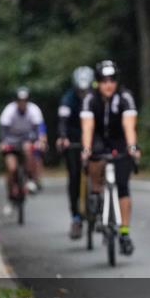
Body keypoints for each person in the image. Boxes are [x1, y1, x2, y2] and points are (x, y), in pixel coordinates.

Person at [80, 60, 141, 255]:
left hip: (119, 141)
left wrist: (132, 147)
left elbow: (129, 126)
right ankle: (96, 193)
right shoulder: (90, 99)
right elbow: (88, 127)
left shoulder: (125, 97)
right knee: (94, 161)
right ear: (97, 82)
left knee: (123, 187)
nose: (109, 84)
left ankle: (124, 232)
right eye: (104, 80)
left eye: (112, 80)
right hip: (98, 139)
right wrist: (86, 149)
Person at [0, 86, 48, 214]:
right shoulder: (9, 110)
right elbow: (3, 130)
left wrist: (41, 141)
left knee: (28, 148)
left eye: (25, 100)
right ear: (16, 101)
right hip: (11, 141)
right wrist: (3, 143)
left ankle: (30, 179)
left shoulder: (34, 110)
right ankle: (10, 197)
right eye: (20, 100)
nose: (22, 103)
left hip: (27, 139)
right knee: (11, 168)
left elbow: (40, 128)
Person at [58, 66, 94, 239]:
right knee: (74, 177)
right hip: (74, 141)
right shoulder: (68, 99)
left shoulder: (96, 98)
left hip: (94, 140)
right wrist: (63, 137)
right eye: (80, 90)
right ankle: (76, 217)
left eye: (85, 90)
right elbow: (63, 120)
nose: (83, 93)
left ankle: (102, 207)